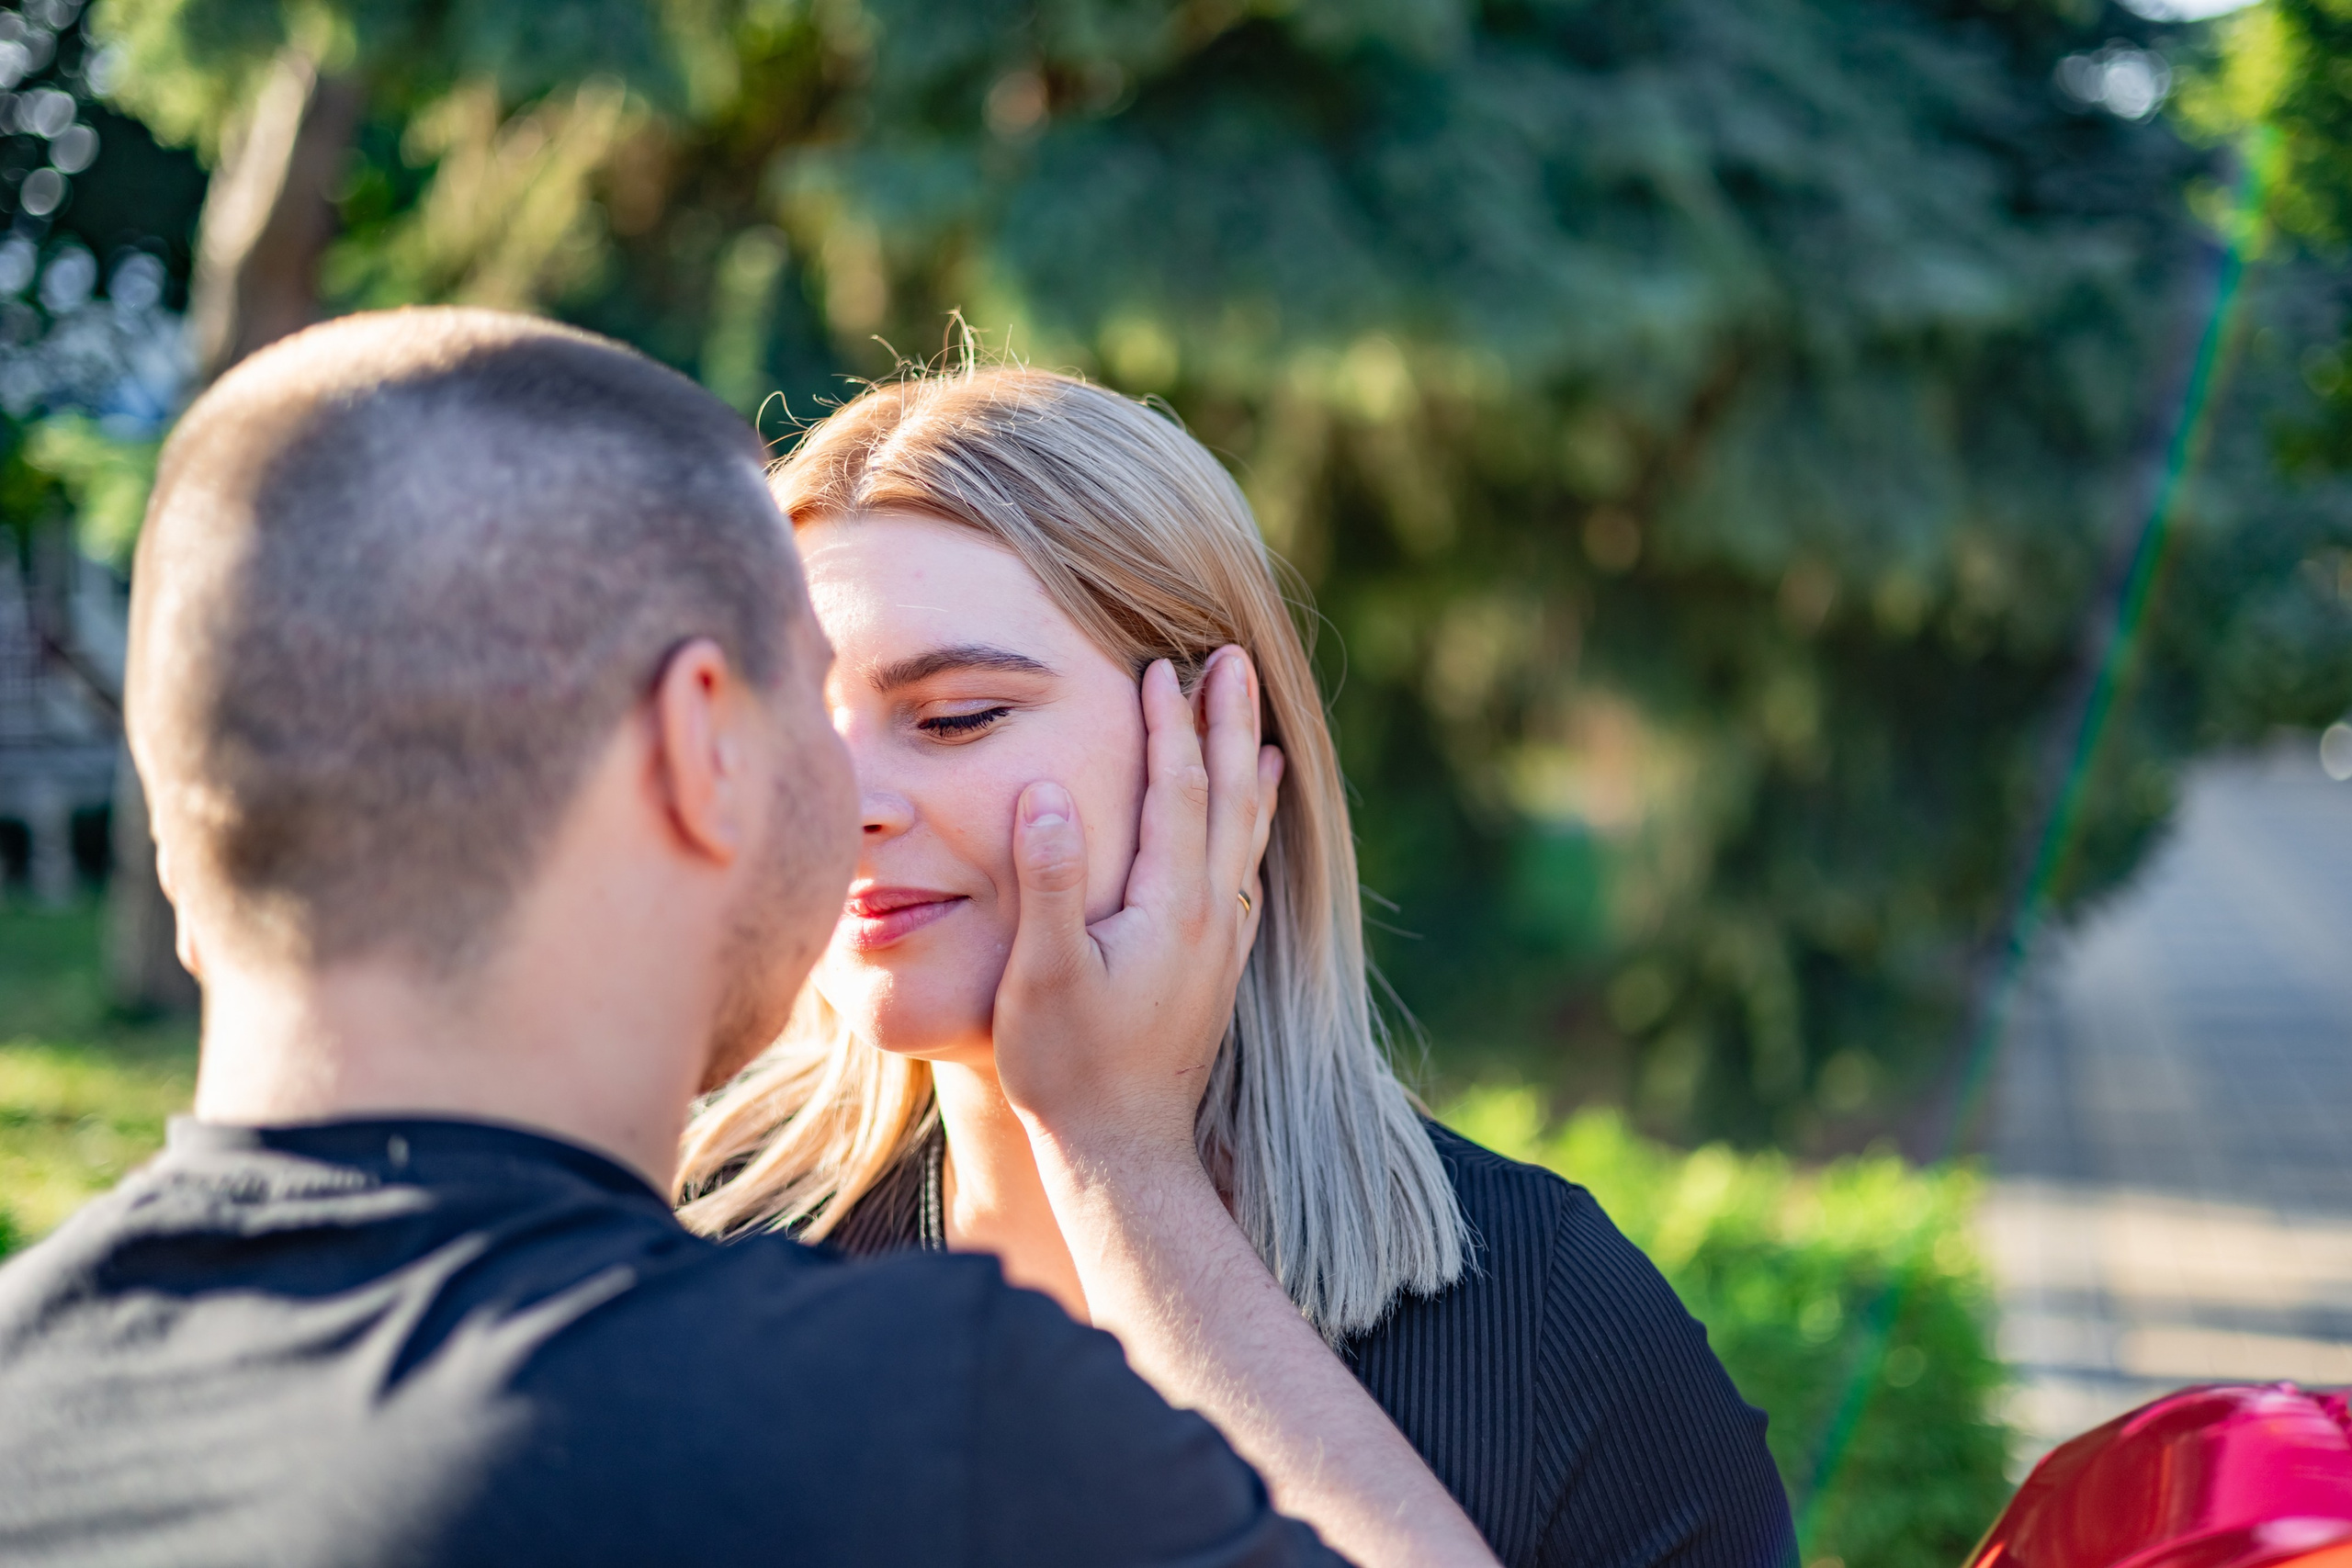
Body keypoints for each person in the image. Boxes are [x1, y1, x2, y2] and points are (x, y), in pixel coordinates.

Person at [0, 309, 1507, 1568]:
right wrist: (1127, 1163)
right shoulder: (912, 1418)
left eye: (956, 716)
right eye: (809, 699)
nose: (856, 795)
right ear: (701, 742)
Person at [679, 365, 1801, 1568]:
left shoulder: (1548, 1325)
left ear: (1219, 740)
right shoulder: (682, 1262)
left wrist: (1120, 1159)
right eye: (796, 723)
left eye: (955, 717)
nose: (844, 804)